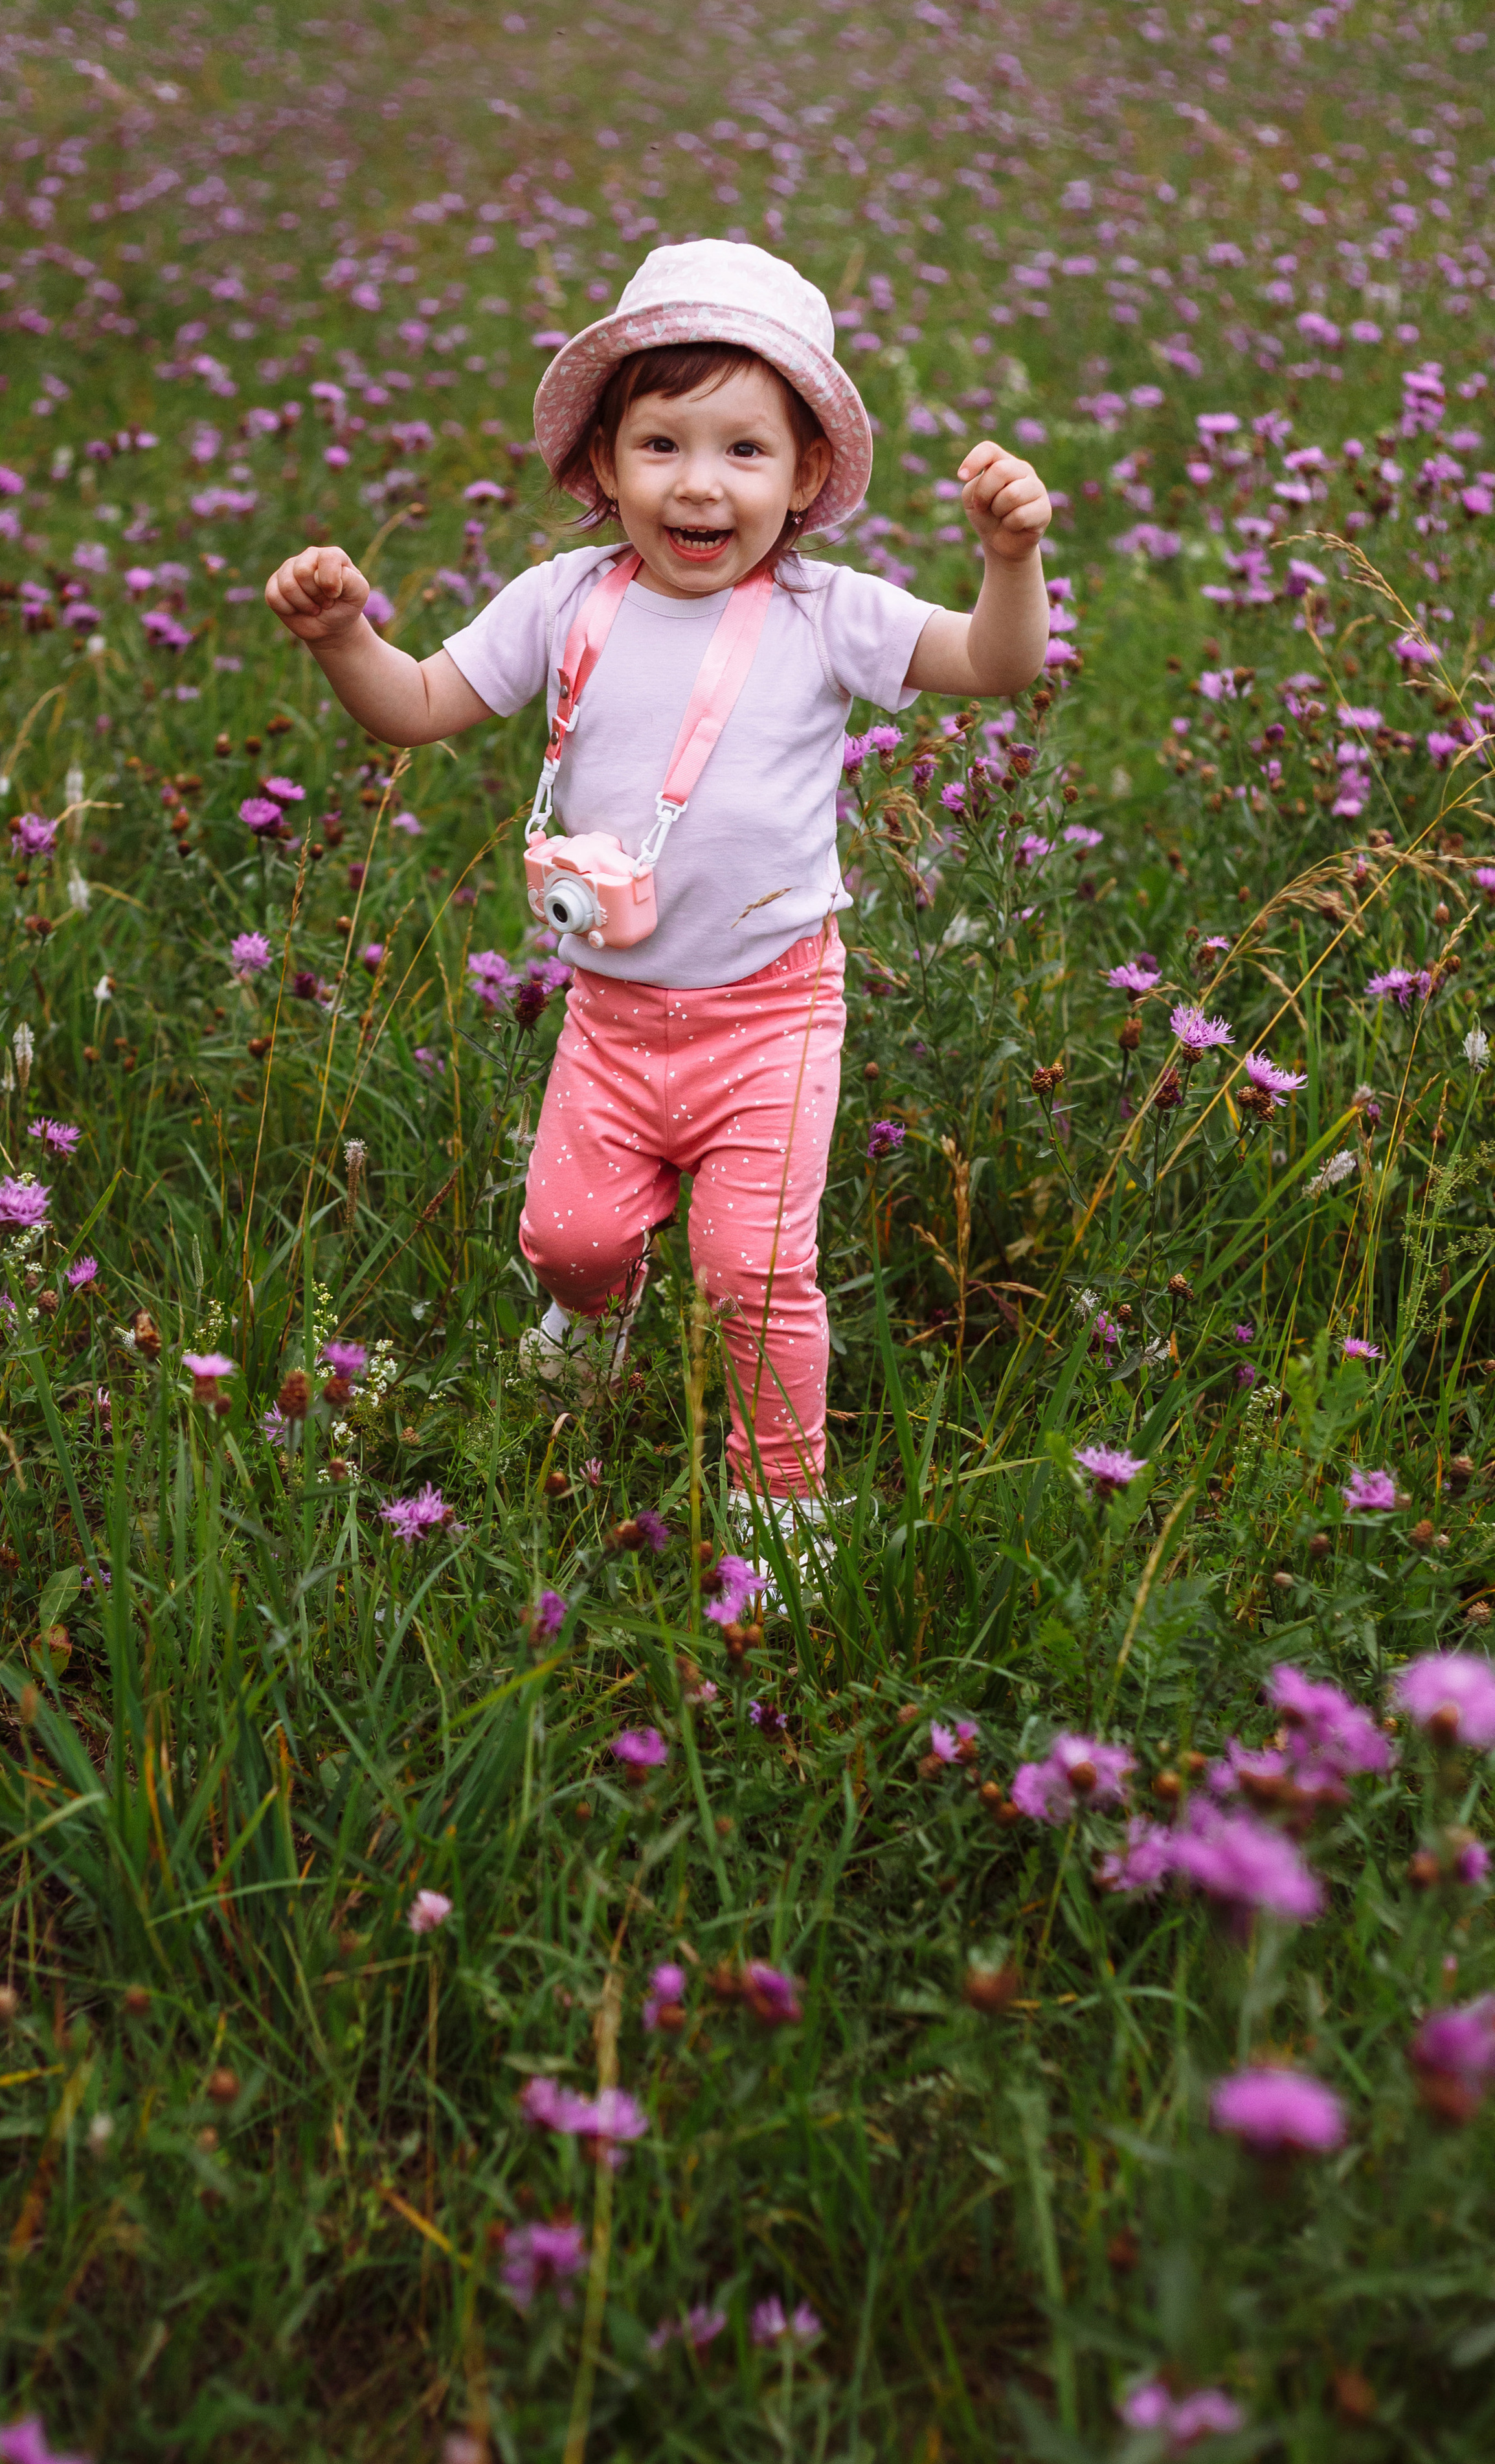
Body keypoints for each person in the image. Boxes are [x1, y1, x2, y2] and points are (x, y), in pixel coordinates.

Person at [265, 238, 1051, 1530]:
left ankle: (780, 1508)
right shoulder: (563, 599)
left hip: (772, 1008)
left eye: (743, 451)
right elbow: (412, 708)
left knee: (751, 1271)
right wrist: (344, 636)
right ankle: (591, 1324)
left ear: (804, 474)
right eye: (661, 446)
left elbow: (993, 664)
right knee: (570, 1245)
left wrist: (1006, 560)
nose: (700, 485)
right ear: (601, 463)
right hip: (613, 1012)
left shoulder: (822, 610)